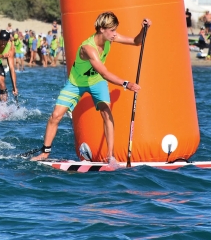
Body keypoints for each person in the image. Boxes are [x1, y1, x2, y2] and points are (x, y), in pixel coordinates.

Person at [31, 13, 149, 164]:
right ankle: (45, 152)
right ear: (101, 29)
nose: (114, 34)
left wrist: (144, 29)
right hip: (76, 83)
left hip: (96, 82)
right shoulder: (88, 48)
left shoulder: (110, 38)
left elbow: (136, 41)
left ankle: (110, 156)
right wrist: (126, 84)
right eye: (112, 30)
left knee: (106, 113)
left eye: (115, 30)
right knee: (55, 115)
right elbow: (104, 73)